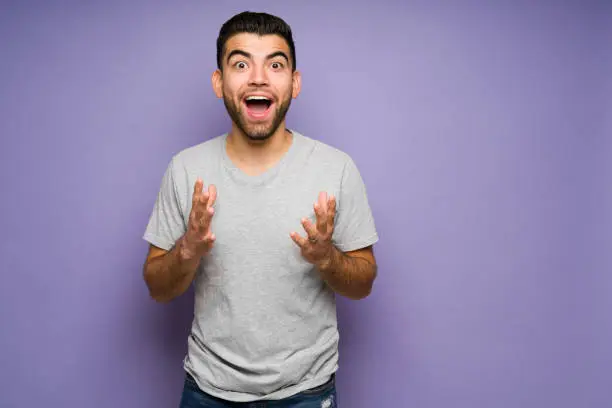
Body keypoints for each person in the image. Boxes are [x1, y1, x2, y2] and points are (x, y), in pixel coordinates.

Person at [142, 11, 379, 408]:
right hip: (207, 392)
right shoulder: (186, 168)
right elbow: (156, 288)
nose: (258, 78)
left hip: (306, 392)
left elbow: (364, 282)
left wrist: (327, 258)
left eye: (275, 64)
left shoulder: (336, 168)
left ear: (295, 83)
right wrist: (188, 250)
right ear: (219, 82)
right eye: (240, 64)